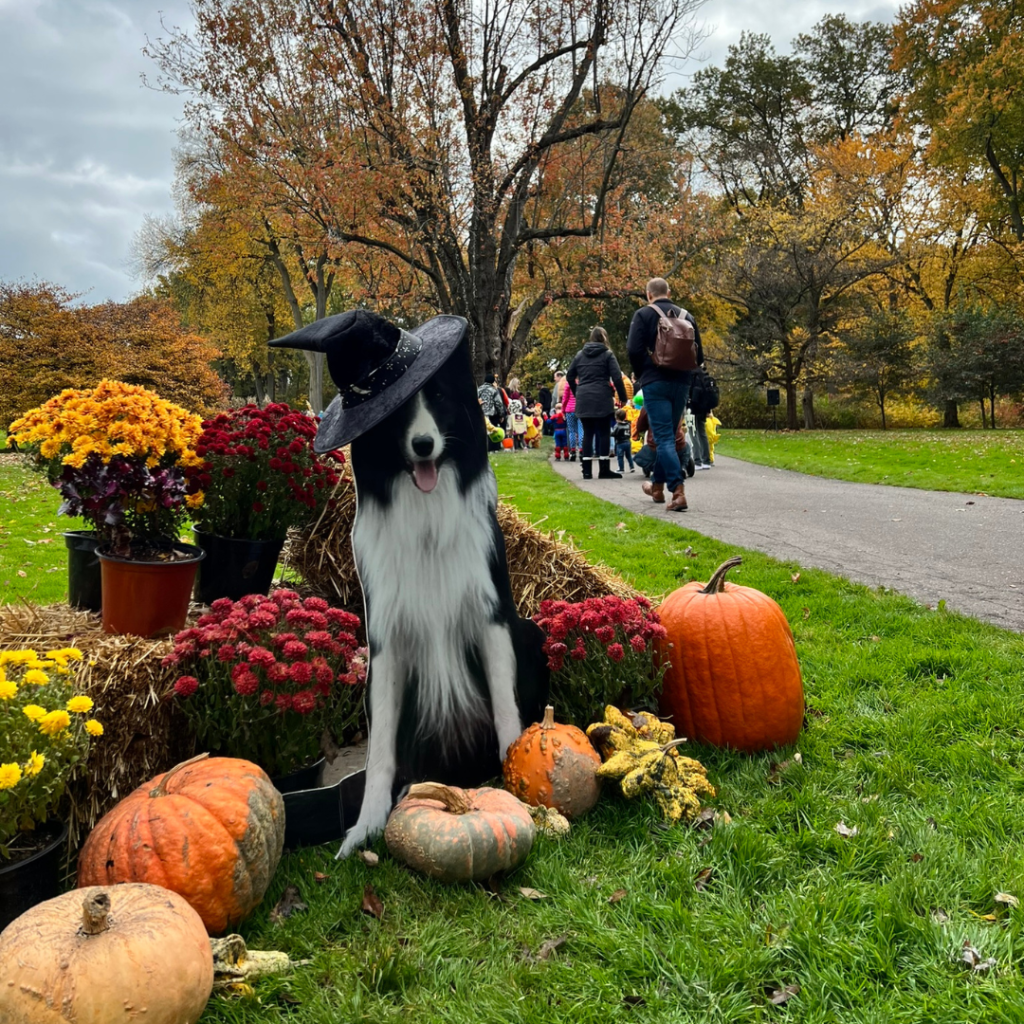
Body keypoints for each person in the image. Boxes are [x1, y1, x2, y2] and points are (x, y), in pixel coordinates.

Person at [627, 277, 703, 511]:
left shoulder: (643, 314)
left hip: (655, 382)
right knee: (668, 435)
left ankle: (678, 492)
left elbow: (633, 349)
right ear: (669, 293)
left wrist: (645, 373)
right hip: (682, 382)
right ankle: (657, 487)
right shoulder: (687, 316)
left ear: (648, 294)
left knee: (663, 438)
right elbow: (699, 355)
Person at [566, 326, 629, 479]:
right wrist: (623, 397)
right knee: (604, 432)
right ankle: (604, 469)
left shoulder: (580, 355)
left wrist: (577, 391)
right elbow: (617, 377)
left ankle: (587, 470)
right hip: (602, 397)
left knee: (588, 432)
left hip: (584, 397)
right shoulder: (607, 355)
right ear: (604, 338)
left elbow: (569, 376)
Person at [688, 365, 719, 469]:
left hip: (692, 407)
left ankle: (697, 461)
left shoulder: (691, 374)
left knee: (693, 432)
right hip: (703, 408)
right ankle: (706, 460)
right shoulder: (703, 374)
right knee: (702, 433)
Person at [477, 373, 506, 452]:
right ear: (493, 381)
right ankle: (494, 447)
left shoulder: (479, 389)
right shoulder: (494, 390)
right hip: (491, 414)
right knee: (493, 431)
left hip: (481, 414)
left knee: (482, 432)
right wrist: (501, 414)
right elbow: (498, 403)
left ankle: (483, 447)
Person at [562, 376, 580, 462]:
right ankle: (581, 450)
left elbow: (565, 398)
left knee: (571, 431)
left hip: (569, 410)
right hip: (580, 410)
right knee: (581, 431)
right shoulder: (582, 383)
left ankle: (572, 450)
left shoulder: (568, 384)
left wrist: (563, 410)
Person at [612, 408, 635, 473]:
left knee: (620, 456)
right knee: (629, 456)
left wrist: (609, 433)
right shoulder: (628, 424)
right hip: (628, 442)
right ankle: (632, 467)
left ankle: (621, 469)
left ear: (616, 417)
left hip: (620, 443)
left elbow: (614, 433)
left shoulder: (617, 426)